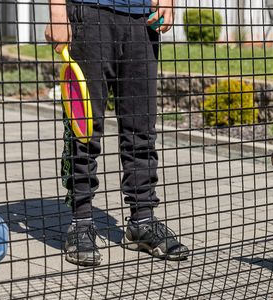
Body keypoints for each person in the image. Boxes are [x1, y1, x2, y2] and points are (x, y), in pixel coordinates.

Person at [45, 0, 189, 266]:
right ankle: (82, 222)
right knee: (84, 129)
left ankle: (142, 223)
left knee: (142, 128)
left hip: (142, 20)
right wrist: (56, 10)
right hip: (89, 13)